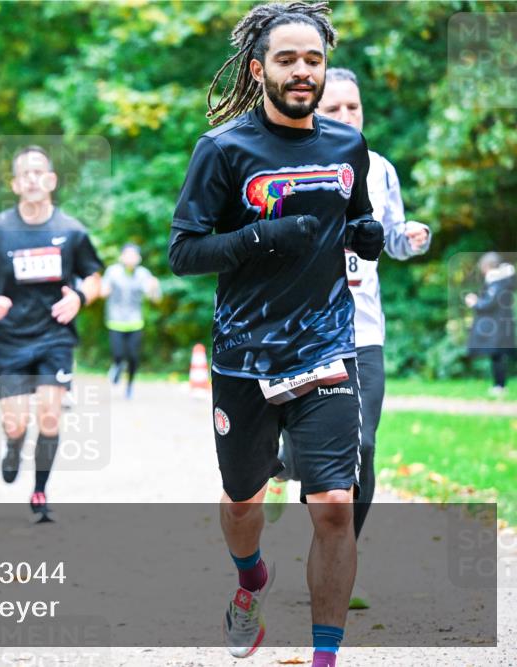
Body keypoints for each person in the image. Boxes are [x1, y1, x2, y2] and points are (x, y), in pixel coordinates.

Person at [167, 3, 384, 665]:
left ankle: (325, 655)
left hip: (325, 348)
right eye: (287, 59)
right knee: (242, 500)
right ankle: (251, 578)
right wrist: (259, 236)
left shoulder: (347, 146)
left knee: (333, 505)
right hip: (244, 356)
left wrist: (364, 234)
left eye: (313, 60)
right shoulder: (224, 149)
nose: (301, 71)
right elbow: (184, 251)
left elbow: (354, 217)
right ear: (259, 68)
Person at [265, 66, 433, 611]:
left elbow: (390, 242)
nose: (346, 117)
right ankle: (280, 465)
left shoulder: (380, 170)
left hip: (362, 332)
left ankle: (340, 563)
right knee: (305, 454)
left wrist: (409, 239)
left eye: (353, 108)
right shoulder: (290, 164)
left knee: (360, 449)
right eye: (334, 108)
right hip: (299, 329)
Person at [0, 145, 103, 522]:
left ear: (51, 180)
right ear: (14, 184)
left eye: (38, 172)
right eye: (24, 173)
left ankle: (40, 490)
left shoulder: (71, 231)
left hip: (54, 334)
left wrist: (78, 297)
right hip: (9, 337)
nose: (32, 179)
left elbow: (94, 277)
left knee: (49, 417)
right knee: (17, 424)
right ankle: (13, 446)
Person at [101, 243, 161, 399]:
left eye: (133, 255)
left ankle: (129, 386)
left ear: (139, 258)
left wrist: (155, 287)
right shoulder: (112, 272)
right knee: (119, 354)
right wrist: (103, 290)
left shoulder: (143, 274)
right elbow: (103, 292)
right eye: (127, 254)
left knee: (133, 357)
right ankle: (117, 368)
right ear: (121, 257)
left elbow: (154, 298)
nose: (130, 258)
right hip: (115, 321)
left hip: (135, 322)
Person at [466, 251, 515, 397]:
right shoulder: (503, 281)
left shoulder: (497, 282)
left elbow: (489, 304)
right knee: (497, 356)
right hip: (500, 324)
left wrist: (474, 303)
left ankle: (499, 386)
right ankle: (499, 386)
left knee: (497, 356)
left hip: (498, 326)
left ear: (488, 266)